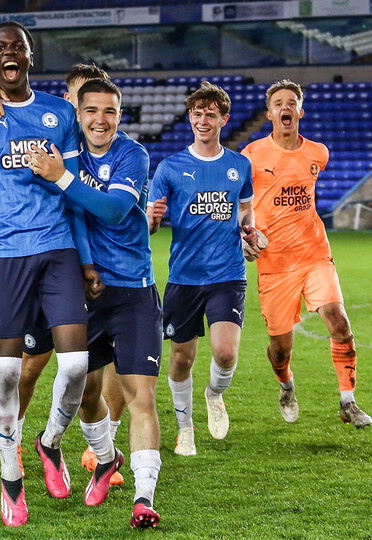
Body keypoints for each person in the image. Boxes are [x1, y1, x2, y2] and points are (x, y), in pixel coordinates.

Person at [0, 21, 88, 527]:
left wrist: (87, 258)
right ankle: (11, 476)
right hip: (4, 259)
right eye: (0, 48)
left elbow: (73, 196)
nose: (10, 54)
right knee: (4, 373)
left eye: (18, 47)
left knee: (75, 365)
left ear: (31, 56)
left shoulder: (59, 114)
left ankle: (49, 441)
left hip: (58, 252)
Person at [0, 63, 125, 485]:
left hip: (100, 272)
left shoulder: (122, 151)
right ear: (70, 106)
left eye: (101, 107)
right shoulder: (51, 130)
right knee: (28, 367)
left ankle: (99, 451)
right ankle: (18, 444)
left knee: (93, 371)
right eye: (80, 102)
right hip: (47, 262)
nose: (91, 114)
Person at [25, 78, 162, 528]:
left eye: (110, 112)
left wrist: (60, 177)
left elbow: (114, 211)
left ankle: (143, 496)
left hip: (133, 290)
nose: (101, 120)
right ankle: (103, 458)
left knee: (140, 394)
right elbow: (75, 217)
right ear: (78, 113)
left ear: (119, 115)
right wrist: (84, 264)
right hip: (84, 290)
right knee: (83, 389)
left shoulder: (131, 155)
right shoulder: (67, 152)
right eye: (92, 111)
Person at [241, 80, 371, 428]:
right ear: (270, 113)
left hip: (314, 254)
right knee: (280, 350)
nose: (286, 108)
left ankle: (348, 401)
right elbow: (239, 203)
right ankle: (286, 384)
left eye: (292, 102)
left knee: (338, 320)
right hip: (275, 265)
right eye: (279, 103)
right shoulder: (251, 155)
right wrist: (244, 234)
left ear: (300, 111)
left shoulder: (318, 152)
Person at [147, 82, 259, 455]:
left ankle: (214, 394)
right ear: (190, 117)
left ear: (224, 119)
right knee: (181, 358)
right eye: (197, 113)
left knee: (225, 353)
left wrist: (249, 231)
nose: (203, 119)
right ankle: (185, 428)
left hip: (227, 274)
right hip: (184, 276)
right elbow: (149, 223)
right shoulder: (170, 167)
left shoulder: (239, 165)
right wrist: (154, 219)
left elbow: (245, 210)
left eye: (211, 114)